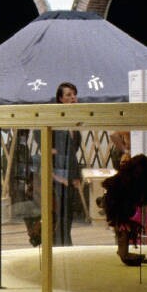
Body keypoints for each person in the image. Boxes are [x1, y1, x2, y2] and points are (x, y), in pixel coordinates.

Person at [52, 82, 83, 245]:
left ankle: (66, 243)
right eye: (68, 95)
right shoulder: (55, 119)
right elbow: (38, 134)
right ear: (60, 99)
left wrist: (76, 176)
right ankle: (58, 245)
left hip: (70, 175)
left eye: (74, 94)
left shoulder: (74, 123)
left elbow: (72, 153)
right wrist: (50, 150)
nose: (73, 98)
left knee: (68, 213)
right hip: (57, 175)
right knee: (59, 214)